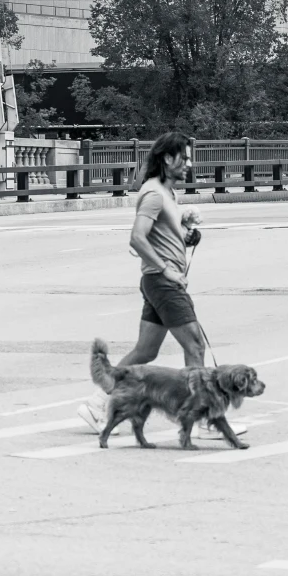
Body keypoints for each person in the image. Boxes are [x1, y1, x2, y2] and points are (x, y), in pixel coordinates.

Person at [80, 131, 206, 431]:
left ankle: (97, 404)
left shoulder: (168, 193)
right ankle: (200, 418)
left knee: (146, 352)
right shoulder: (153, 194)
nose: (188, 164)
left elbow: (159, 236)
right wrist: (166, 270)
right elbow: (137, 238)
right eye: (184, 157)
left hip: (157, 281)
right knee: (196, 346)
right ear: (166, 158)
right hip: (162, 282)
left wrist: (187, 236)